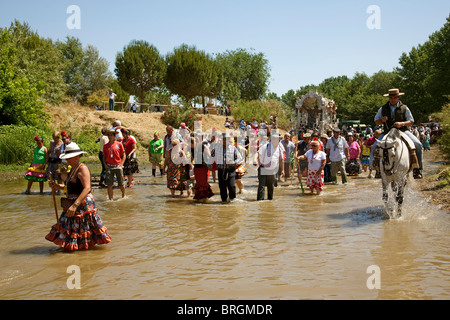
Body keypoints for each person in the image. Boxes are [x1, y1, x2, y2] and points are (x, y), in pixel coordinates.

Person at [45, 143, 111, 251]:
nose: (67, 160)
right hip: (73, 203)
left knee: (82, 228)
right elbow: (71, 187)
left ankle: (82, 251)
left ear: (76, 157)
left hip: (81, 203)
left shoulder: (82, 168)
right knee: (74, 229)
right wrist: (57, 186)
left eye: (69, 158)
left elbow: (87, 188)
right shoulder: (73, 169)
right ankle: (78, 249)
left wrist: (75, 205)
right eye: (66, 158)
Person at [373, 88, 423, 179]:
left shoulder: (404, 108)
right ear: (389, 98)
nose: (393, 99)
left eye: (395, 97)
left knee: (418, 144)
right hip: (387, 132)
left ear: (398, 97)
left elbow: (411, 121)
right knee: (374, 147)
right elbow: (376, 121)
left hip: (402, 131)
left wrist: (402, 123)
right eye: (391, 97)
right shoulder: (383, 108)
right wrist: (381, 120)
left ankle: (417, 169)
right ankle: (378, 170)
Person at [212, 133, 242, 203]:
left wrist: (234, 162)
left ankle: (232, 201)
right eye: (223, 139)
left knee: (231, 186)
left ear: (229, 140)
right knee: (222, 188)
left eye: (226, 139)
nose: (225, 141)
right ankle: (224, 201)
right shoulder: (216, 148)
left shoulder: (233, 148)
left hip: (230, 170)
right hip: (221, 170)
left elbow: (240, 158)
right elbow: (210, 156)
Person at [255, 132, 284, 201]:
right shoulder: (266, 146)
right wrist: (255, 160)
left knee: (271, 186)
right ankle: (260, 200)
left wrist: (282, 170)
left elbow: (281, 160)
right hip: (263, 168)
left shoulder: (279, 149)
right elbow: (257, 153)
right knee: (261, 185)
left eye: (279, 140)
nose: (278, 141)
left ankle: (270, 199)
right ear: (272, 140)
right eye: (277, 139)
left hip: (272, 170)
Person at [103, 129, 126, 200]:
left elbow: (124, 155)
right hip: (109, 166)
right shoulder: (105, 146)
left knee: (121, 184)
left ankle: (123, 195)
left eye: (111, 135)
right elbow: (104, 157)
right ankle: (111, 199)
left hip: (118, 165)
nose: (110, 137)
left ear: (114, 136)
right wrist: (105, 165)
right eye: (109, 135)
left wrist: (121, 165)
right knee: (109, 185)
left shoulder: (119, 144)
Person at [193, 132, 214, 201]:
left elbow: (210, 156)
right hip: (196, 168)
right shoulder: (192, 148)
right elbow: (191, 158)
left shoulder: (204, 146)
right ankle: (200, 198)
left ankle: (204, 199)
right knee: (199, 183)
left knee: (203, 183)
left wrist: (210, 165)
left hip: (203, 168)